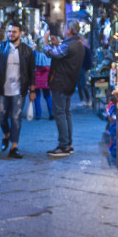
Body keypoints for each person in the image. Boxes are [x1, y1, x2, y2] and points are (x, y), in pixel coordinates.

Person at [0, 21, 35, 159]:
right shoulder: (0, 48)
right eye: (9, 31)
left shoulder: (27, 50)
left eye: (14, 31)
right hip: (2, 88)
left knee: (16, 117)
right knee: (1, 116)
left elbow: (32, 71)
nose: (11, 34)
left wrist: (32, 90)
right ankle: (6, 134)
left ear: (20, 33)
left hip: (19, 90)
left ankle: (14, 146)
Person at [41, 19, 87, 157]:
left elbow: (52, 53)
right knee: (66, 113)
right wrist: (57, 44)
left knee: (60, 113)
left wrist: (46, 42)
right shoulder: (78, 44)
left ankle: (63, 146)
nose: (63, 28)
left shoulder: (69, 46)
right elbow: (62, 52)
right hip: (69, 83)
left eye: (65, 27)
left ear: (69, 30)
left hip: (61, 82)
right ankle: (69, 144)